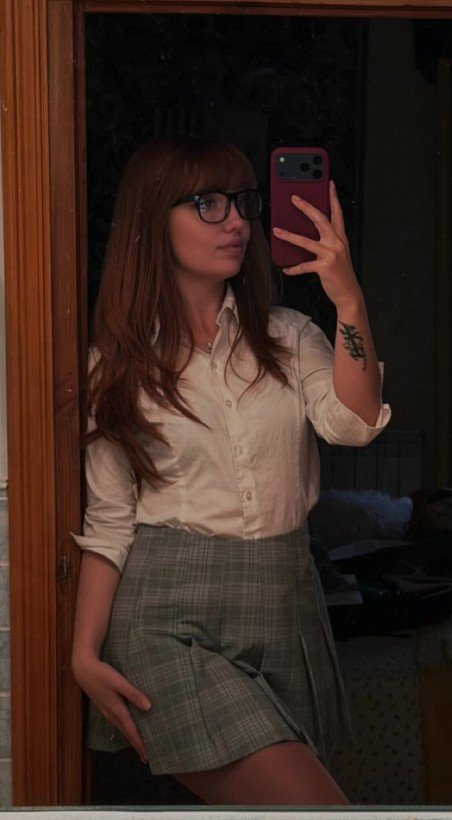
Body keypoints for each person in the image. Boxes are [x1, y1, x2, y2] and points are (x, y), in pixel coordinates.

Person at [71, 136, 391, 806]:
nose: (237, 221)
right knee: (319, 811)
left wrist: (350, 302)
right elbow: (110, 523)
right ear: (153, 221)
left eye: (243, 202)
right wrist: (84, 653)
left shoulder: (290, 336)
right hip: (165, 620)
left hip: (285, 604)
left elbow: (355, 423)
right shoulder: (116, 365)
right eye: (207, 204)